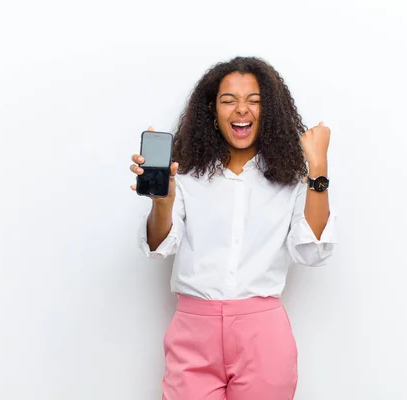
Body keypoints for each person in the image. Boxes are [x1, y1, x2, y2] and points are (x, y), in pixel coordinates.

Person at [129, 56, 337, 400]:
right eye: (229, 101)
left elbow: (313, 252)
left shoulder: (289, 180)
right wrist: (162, 200)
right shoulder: (187, 175)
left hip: (263, 335)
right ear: (212, 111)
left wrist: (318, 167)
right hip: (193, 331)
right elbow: (158, 246)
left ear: (268, 112)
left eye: (254, 101)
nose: (241, 110)